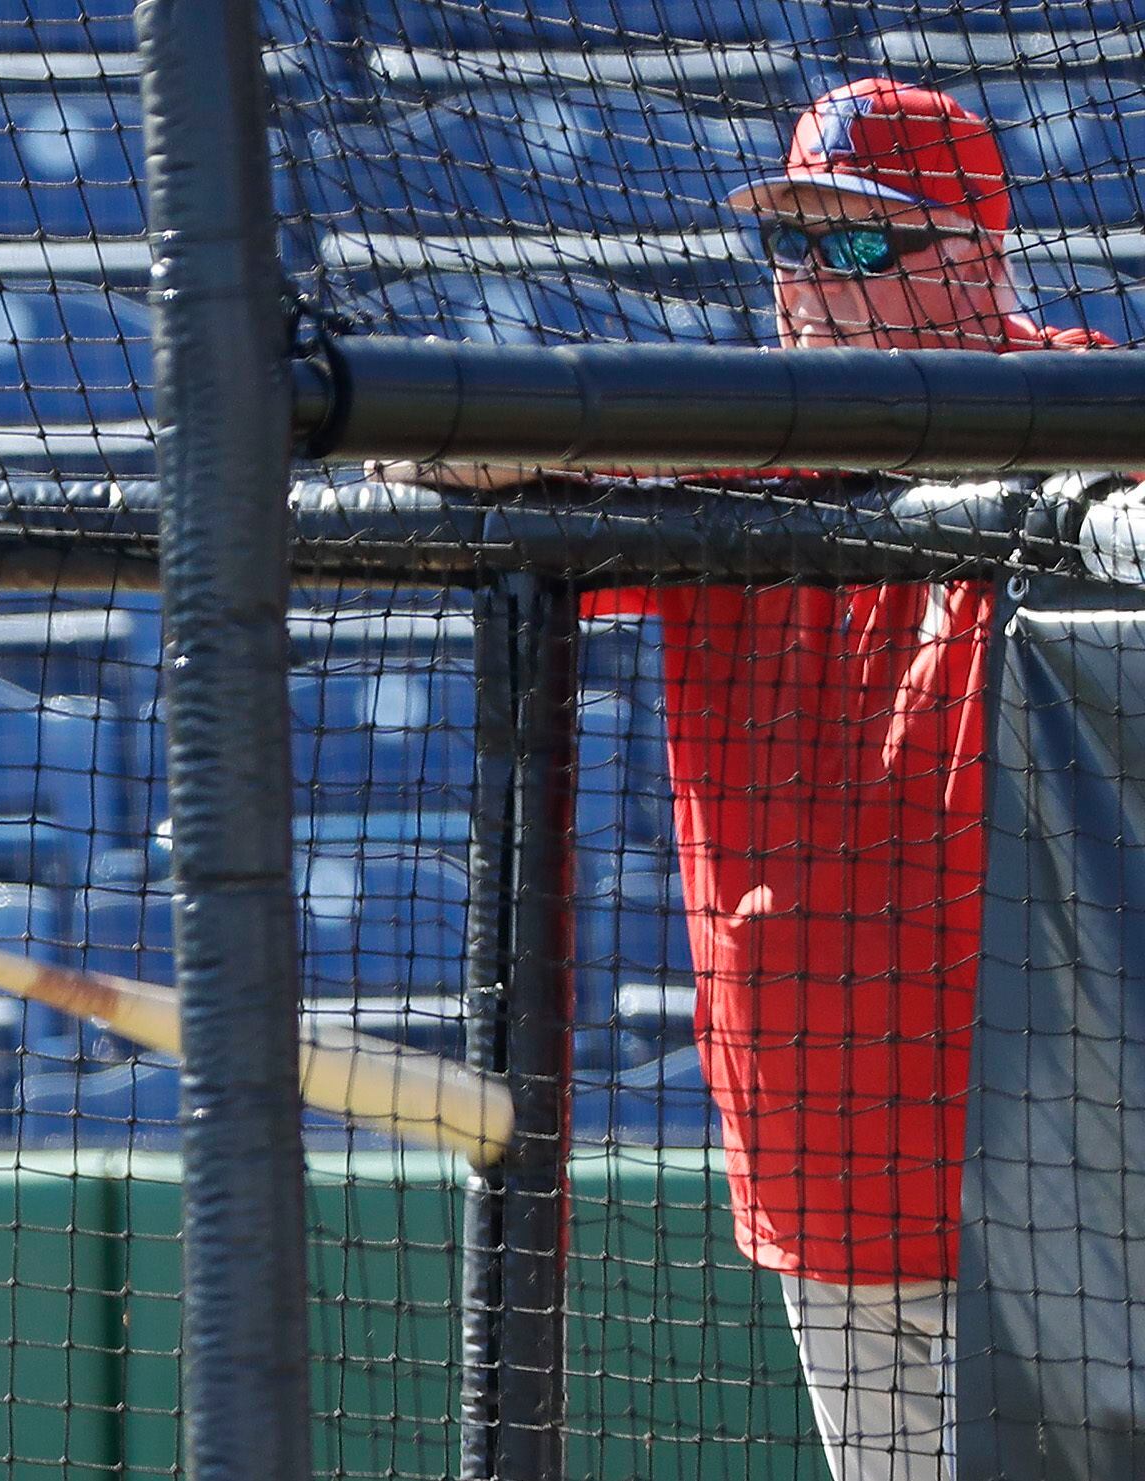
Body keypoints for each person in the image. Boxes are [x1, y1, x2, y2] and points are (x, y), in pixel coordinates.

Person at [379, 79, 1116, 1481]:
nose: (808, 289)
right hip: (825, 1183)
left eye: (855, 249)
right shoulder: (729, 452)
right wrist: (722, 431)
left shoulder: (1073, 415)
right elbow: (447, 459)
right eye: (788, 247)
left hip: (1066, 1198)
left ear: (980, 262)